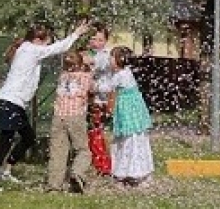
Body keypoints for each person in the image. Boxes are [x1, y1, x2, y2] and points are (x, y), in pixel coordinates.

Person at [0, 20, 89, 193]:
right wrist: (76, 34)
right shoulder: (31, 50)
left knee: (28, 137)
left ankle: (6, 171)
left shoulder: (26, 48)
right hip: (10, 102)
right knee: (4, 143)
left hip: (14, 103)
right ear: (38, 40)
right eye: (47, 40)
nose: (48, 44)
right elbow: (57, 48)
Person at [47, 51, 93, 194]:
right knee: (83, 150)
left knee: (58, 152)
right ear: (80, 64)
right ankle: (77, 173)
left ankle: (54, 186)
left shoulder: (62, 76)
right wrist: (88, 65)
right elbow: (92, 89)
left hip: (58, 116)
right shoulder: (85, 77)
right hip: (75, 116)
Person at [108, 46, 154, 188]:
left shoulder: (119, 76)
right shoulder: (127, 72)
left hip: (127, 114)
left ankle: (129, 173)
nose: (109, 60)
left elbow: (108, 90)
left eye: (111, 57)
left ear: (119, 60)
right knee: (135, 140)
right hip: (134, 114)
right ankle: (140, 172)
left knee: (128, 141)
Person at [82, 22, 112, 175]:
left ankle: (102, 164)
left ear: (106, 41)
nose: (96, 43)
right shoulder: (91, 53)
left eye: (100, 40)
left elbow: (93, 63)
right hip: (88, 98)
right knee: (90, 131)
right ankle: (96, 161)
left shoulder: (106, 55)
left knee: (96, 130)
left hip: (100, 99)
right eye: (93, 39)